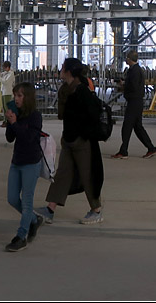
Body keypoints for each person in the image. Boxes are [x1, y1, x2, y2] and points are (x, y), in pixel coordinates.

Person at [39, 57, 104, 225]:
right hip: (68, 139)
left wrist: (83, 133)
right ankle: (50, 209)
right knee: (62, 175)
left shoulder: (81, 90)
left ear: (68, 71)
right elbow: (63, 115)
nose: (60, 70)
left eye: (62, 68)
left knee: (87, 175)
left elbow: (92, 115)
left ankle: (96, 210)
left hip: (81, 141)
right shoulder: (67, 89)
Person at [3, 81, 44, 252]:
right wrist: (11, 121)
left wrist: (15, 124)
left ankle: (22, 235)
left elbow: (28, 138)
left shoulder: (35, 116)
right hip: (17, 161)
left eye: (19, 96)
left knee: (27, 201)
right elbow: (10, 138)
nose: (16, 99)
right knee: (12, 198)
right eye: (15, 96)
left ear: (27, 97)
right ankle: (34, 219)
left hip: (31, 163)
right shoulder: (16, 114)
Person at [113, 50, 156, 159]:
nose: (125, 60)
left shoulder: (134, 71)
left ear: (129, 59)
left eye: (126, 58)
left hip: (134, 101)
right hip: (136, 101)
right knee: (138, 127)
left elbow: (133, 86)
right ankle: (151, 148)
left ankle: (123, 151)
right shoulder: (135, 70)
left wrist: (123, 86)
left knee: (127, 127)